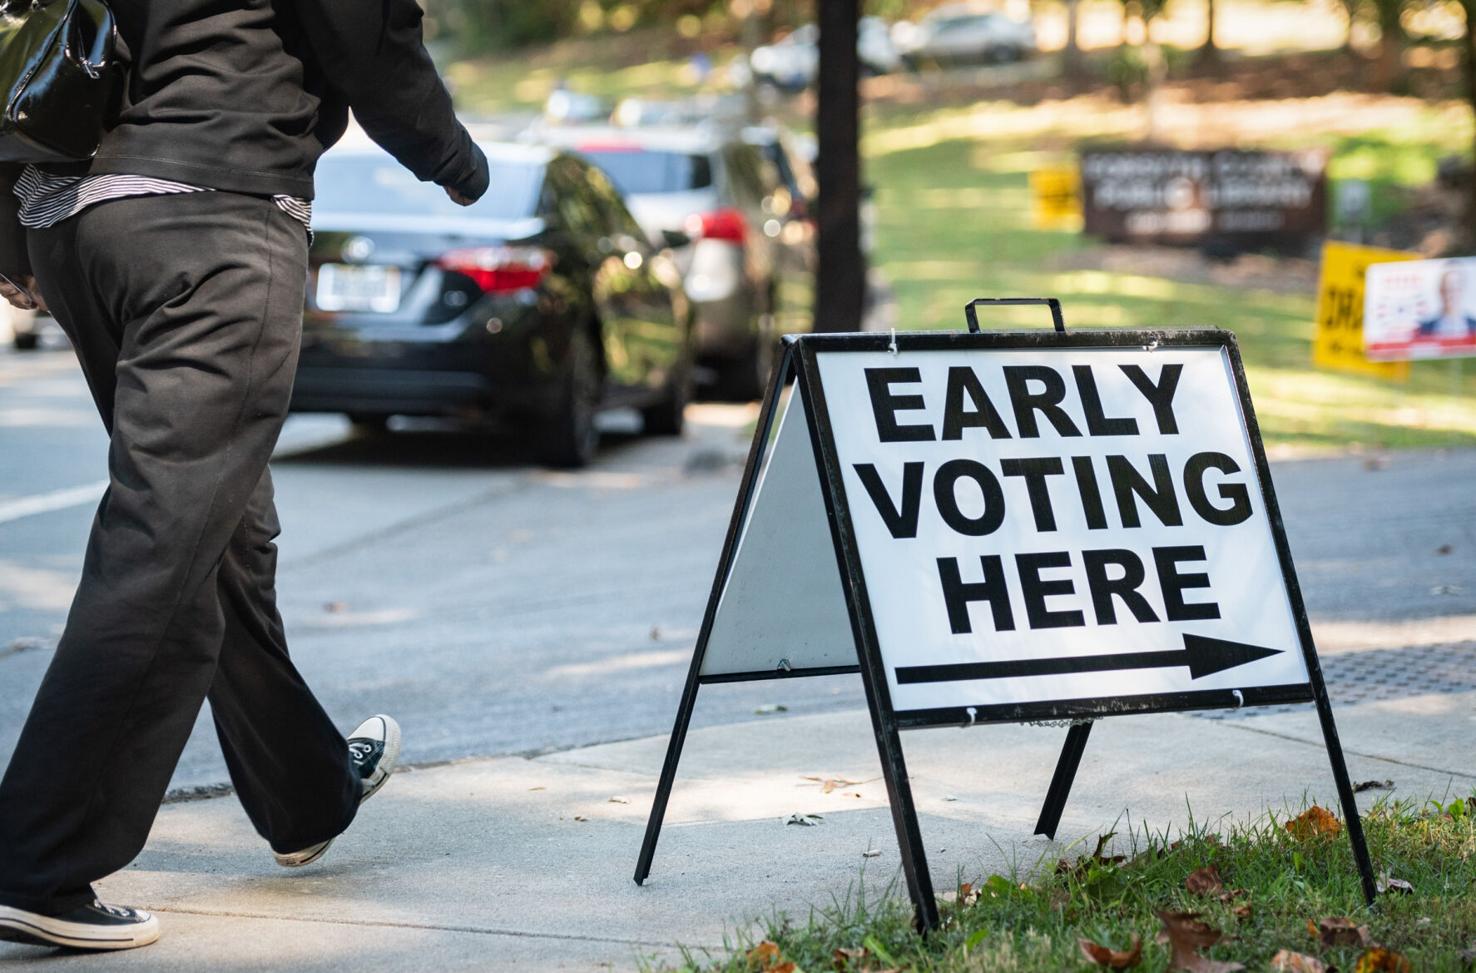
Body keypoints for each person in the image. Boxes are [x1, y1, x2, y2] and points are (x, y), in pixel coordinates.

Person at [0, 0, 488, 952]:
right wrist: (458, 163)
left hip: (79, 226)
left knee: (219, 531)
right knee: (163, 542)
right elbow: (365, 35)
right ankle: (36, 856)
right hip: (212, 223)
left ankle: (305, 793)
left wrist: (7, 225)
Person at [1416, 265, 1476, 339]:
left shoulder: (1474, 324)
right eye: (1447, 290)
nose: (1451, 295)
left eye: (1455, 289)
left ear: (1462, 290)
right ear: (1440, 291)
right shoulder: (1426, 328)